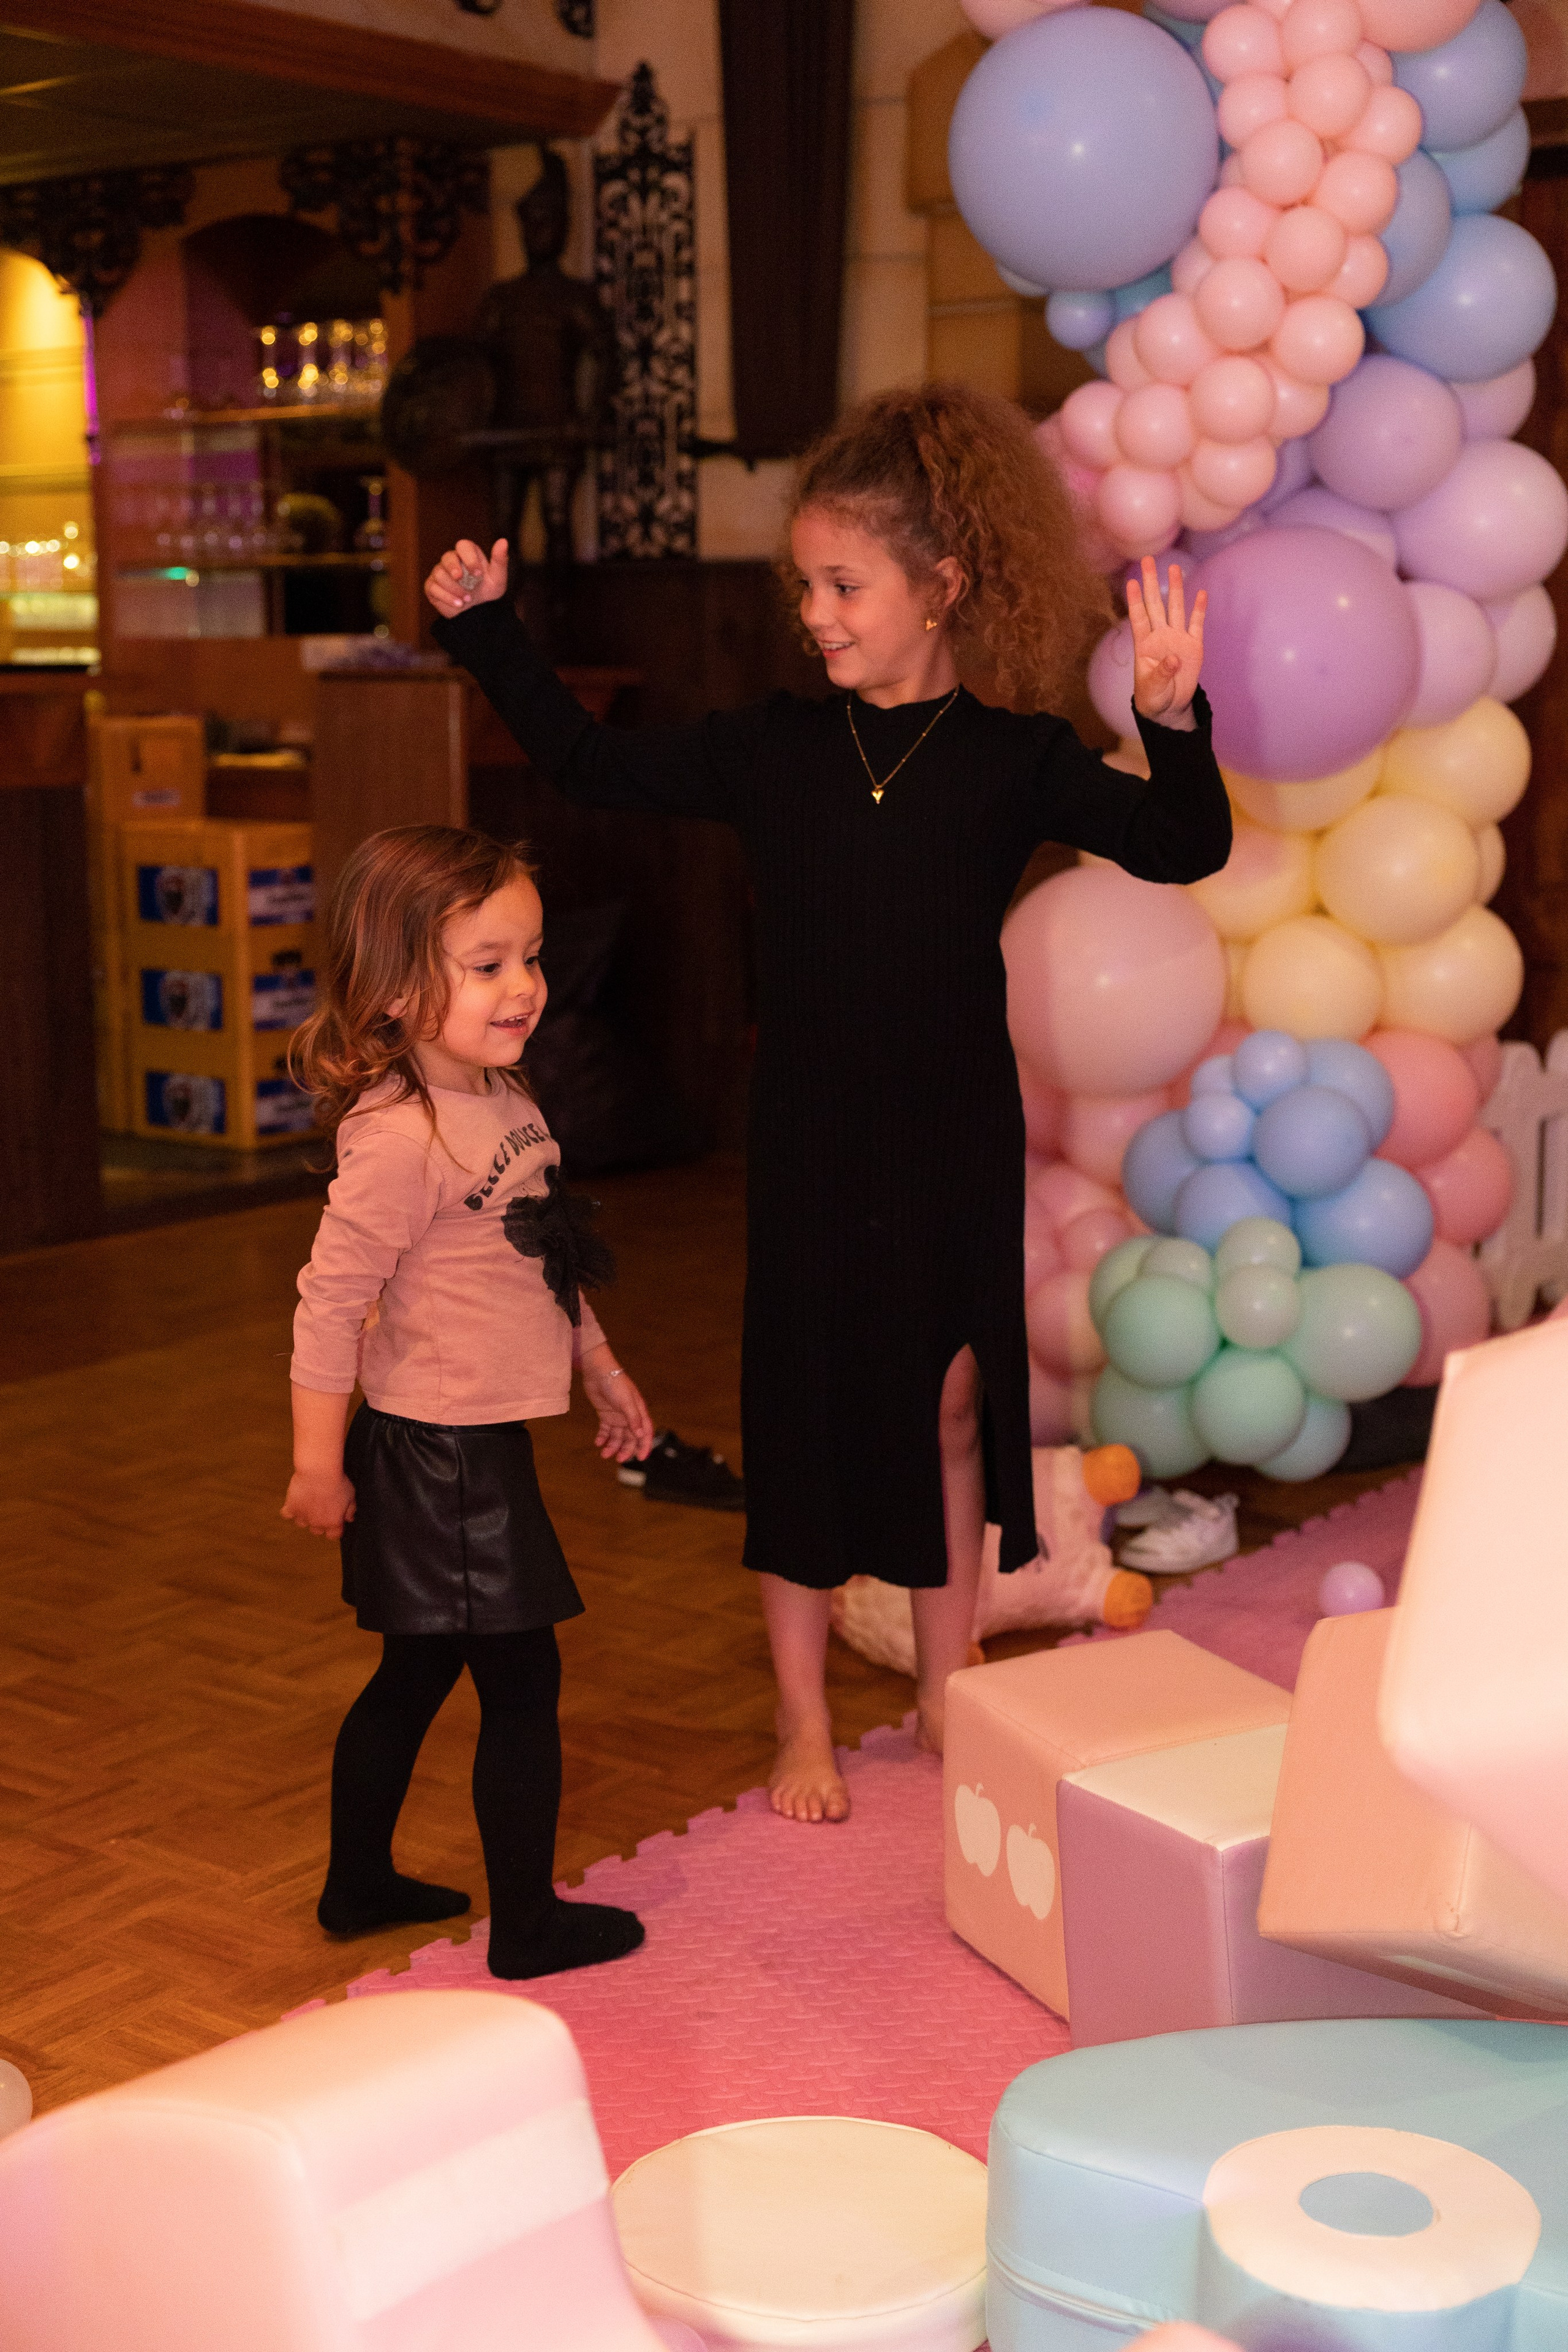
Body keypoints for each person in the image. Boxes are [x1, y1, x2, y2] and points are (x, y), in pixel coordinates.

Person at [424, 382, 1229, 1826]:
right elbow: (588, 762)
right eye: (804, 585)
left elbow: (1181, 842)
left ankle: (945, 1682)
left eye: (845, 584)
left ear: (944, 586)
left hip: (951, 1136)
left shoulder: (1012, 755)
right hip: (805, 1134)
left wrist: (1170, 722)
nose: (818, 612)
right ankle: (799, 1717)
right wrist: (489, 629)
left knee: (949, 1410)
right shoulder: (769, 748)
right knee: (798, 1417)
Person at [281, 824, 654, 1977]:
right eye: (487, 965)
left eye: (530, 958)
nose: (525, 987)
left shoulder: (502, 1093)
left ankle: (357, 1881)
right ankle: (528, 1927)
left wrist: (602, 1367)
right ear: (396, 991)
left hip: (474, 1441)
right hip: (437, 1454)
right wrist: (315, 1463)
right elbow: (327, 1303)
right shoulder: (400, 1138)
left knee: (419, 1669)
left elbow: (543, 1253)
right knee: (522, 1675)